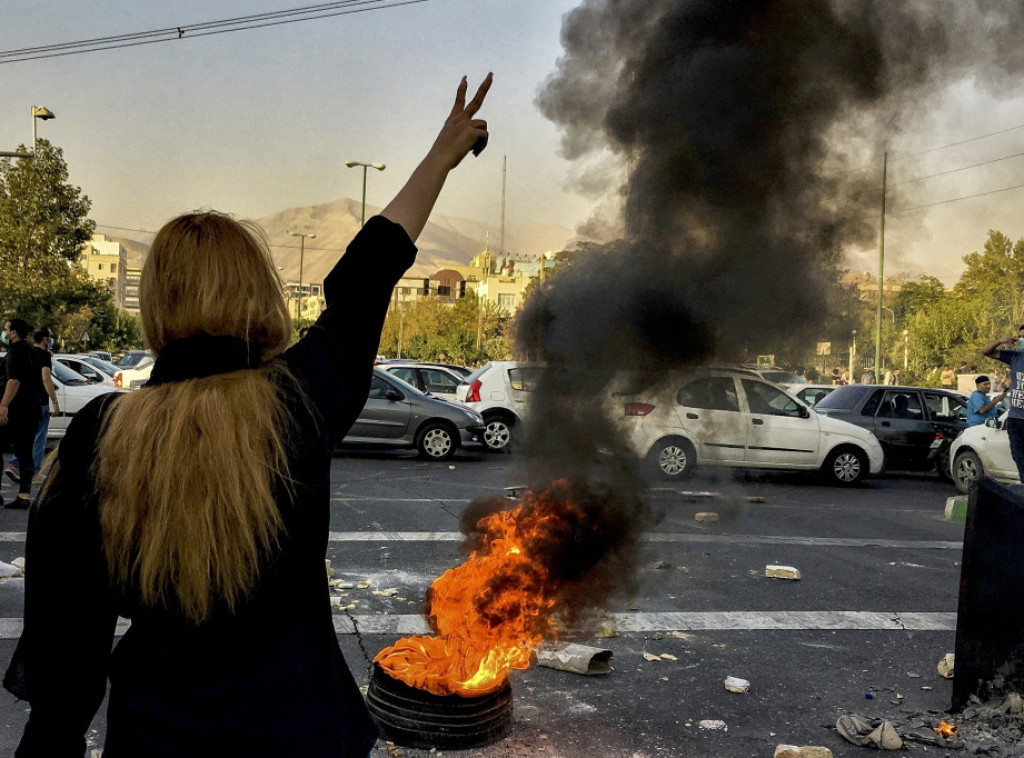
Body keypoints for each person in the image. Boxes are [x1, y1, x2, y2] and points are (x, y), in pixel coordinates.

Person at [3, 73, 493, 757]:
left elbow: (66, 662)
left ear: (156, 305)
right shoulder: (298, 401)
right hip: (305, 737)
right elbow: (366, 277)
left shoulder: (101, 436)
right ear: (258, 292)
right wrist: (440, 158)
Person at [6, 329, 60, 484]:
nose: (51, 339)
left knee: (27, 437)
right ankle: (32, 472)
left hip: (24, 401)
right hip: (40, 402)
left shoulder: (27, 352)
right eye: (50, 337)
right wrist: (54, 402)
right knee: (39, 438)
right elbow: (46, 378)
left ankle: (15, 464)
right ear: (44, 339)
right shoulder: (44, 356)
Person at [0, 319, 42, 509]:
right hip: (31, 409)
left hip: (17, 411)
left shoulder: (16, 352)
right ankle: (24, 496)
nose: (4, 332)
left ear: (14, 333)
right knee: (25, 453)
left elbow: (14, 381)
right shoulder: (32, 352)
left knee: (16, 451)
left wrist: (3, 405)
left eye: (6, 329)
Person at [982, 332, 1024, 480]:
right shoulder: (1014, 357)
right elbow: (986, 351)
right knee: (1018, 455)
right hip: (1015, 419)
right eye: (1019, 337)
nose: (1021, 340)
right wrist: (1000, 340)